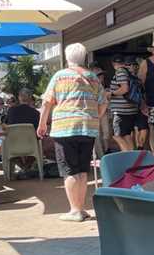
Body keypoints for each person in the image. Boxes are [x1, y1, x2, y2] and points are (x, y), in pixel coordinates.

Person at [38, 43, 107, 221]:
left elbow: (47, 102)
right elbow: (103, 102)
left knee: (69, 170)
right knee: (83, 170)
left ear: (68, 57)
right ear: (83, 58)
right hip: (87, 128)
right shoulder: (92, 77)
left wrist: (42, 123)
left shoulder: (59, 76)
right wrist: (94, 117)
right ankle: (81, 208)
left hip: (65, 129)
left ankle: (74, 210)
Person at [108, 55, 139, 151]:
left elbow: (125, 88)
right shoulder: (129, 72)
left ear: (113, 64)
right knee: (127, 136)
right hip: (131, 109)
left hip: (121, 110)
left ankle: (127, 158)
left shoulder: (120, 72)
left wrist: (111, 93)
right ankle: (132, 159)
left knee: (117, 136)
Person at [128, 58, 149, 150]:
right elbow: (144, 92)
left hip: (130, 106)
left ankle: (136, 149)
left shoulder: (124, 78)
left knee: (135, 129)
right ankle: (140, 147)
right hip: (140, 104)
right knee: (143, 128)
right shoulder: (139, 79)